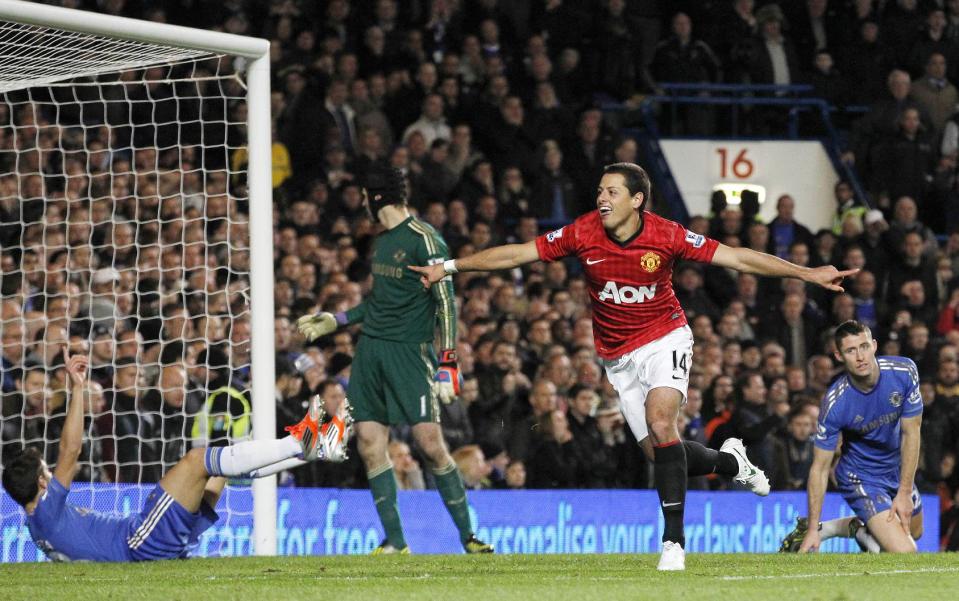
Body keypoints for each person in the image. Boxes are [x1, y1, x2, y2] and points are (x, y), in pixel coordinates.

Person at [410, 162, 856, 571]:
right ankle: (730, 462)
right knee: (662, 453)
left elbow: (738, 257)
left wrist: (806, 273)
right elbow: (518, 254)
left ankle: (674, 543)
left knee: (662, 423)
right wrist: (449, 266)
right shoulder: (583, 232)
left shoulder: (667, 235)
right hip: (617, 357)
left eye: (611, 192)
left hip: (666, 337)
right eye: (599, 191)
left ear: (636, 200)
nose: (601, 198)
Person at [296, 164, 493, 555]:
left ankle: (468, 535)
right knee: (369, 442)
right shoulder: (382, 242)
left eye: (366, 198)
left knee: (429, 442)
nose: (364, 204)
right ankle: (396, 543)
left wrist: (448, 361)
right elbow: (379, 304)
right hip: (370, 352)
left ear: (376, 197)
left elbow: (446, 303)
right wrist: (337, 320)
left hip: (410, 353)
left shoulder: (425, 239)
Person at [0, 352, 347, 562]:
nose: (53, 472)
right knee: (198, 460)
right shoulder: (45, 511)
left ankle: (311, 451)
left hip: (147, 544)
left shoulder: (39, 528)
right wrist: (77, 388)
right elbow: (70, 450)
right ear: (42, 482)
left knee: (216, 471)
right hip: (139, 542)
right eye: (47, 470)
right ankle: (302, 442)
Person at [780, 320, 924, 554]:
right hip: (861, 476)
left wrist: (905, 490)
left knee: (915, 532)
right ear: (838, 355)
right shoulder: (836, 403)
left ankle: (847, 529)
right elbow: (819, 467)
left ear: (875, 345)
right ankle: (837, 529)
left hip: (896, 469)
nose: (860, 356)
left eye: (864, 346)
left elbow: (912, 432)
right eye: (850, 350)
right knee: (906, 552)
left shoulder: (904, 372)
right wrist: (812, 530)